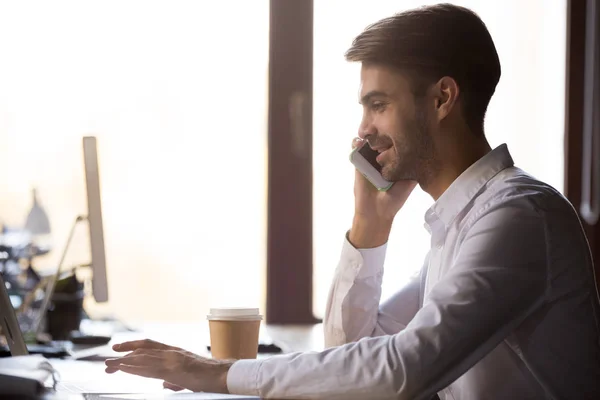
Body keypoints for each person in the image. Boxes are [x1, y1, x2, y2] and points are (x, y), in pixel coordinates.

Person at [105, 4, 600, 399]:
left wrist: (215, 372)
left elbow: (403, 371)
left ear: (443, 98)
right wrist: (369, 224)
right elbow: (352, 360)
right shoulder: (459, 225)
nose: (364, 130)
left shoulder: (517, 217)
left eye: (378, 105)